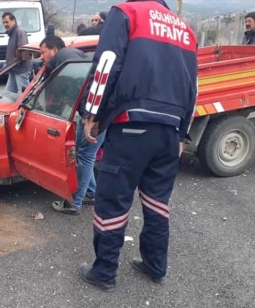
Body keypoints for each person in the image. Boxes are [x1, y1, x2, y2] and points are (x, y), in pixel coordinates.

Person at [78, 0, 198, 292]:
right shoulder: (184, 29)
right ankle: (156, 266)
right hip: (170, 130)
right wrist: (182, 133)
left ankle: (104, 271)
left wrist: (92, 113)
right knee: (157, 202)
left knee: (113, 200)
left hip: (132, 124)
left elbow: (106, 63)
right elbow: (193, 87)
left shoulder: (128, 12)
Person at [37, 35, 105, 216]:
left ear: (54, 50)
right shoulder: (74, 56)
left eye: (43, 53)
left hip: (93, 117)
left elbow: (73, 87)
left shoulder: (63, 62)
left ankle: (74, 203)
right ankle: (91, 193)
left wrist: (88, 114)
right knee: (85, 155)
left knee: (86, 156)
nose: (42, 58)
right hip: (94, 114)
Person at [2, 12, 32, 94]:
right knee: (8, 94)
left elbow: (23, 53)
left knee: (26, 96)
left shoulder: (20, 32)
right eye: (3, 22)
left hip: (21, 70)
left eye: (7, 22)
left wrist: (13, 64)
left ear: (14, 21)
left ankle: (34, 106)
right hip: (13, 70)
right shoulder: (12, 34)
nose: (5, 24)